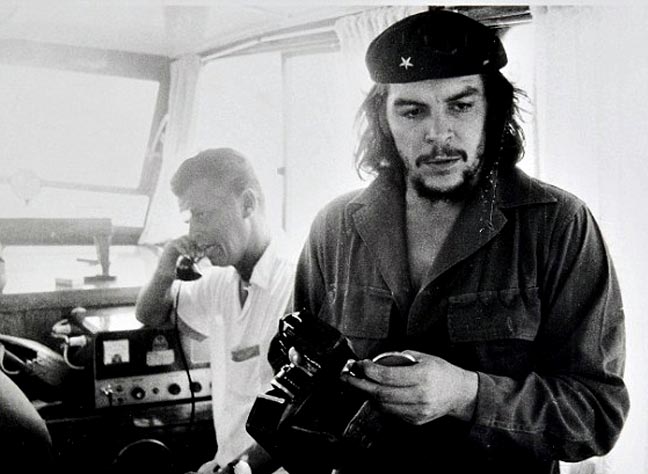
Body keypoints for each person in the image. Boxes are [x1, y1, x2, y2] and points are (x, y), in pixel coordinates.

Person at [288, 9, 629, 474]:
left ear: (493, 111)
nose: (438, 134)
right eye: (412, 111)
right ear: (383, 119)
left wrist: (466, 394)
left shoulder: (558, 225)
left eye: (461, 106)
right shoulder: (334, 228)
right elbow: (294, 366)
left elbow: (596, 416)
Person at [136, 148, 294, 473]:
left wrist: (237, 469)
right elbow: (150, 315)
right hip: (228, 464)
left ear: (247, 204)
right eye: (189, 219)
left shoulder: (296, 279)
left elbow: (300, 414)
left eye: (203, 215)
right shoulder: (221, 279)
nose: (194, 232)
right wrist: (165, 270)